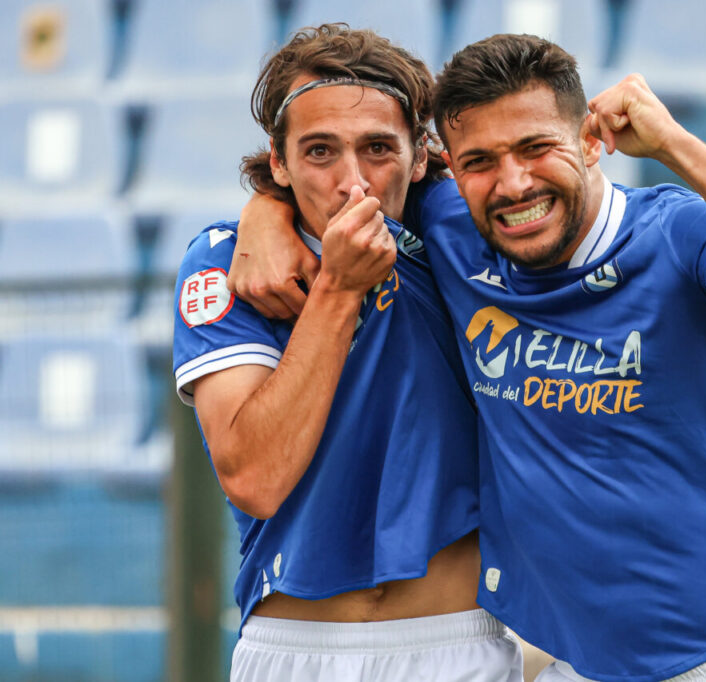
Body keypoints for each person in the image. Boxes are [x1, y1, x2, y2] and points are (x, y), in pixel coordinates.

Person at [231, 34, 706, 682]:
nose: (513, 183)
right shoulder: (457, 227)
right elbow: (343, 180)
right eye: (480, 161)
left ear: (590, 140)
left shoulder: (674, 233)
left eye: (536, 147)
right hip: (582, 669)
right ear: (447, 165)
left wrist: (677, 146)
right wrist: (264, 217)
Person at [171, 25, 522, 682]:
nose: (352, 183)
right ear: (278, 163)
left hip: (455, 644)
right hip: (290, 650)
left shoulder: (470, 243)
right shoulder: (224, 266)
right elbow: (255, 479)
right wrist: (336, 286)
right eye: (320, 151)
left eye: (378, 149)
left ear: (420, 156)